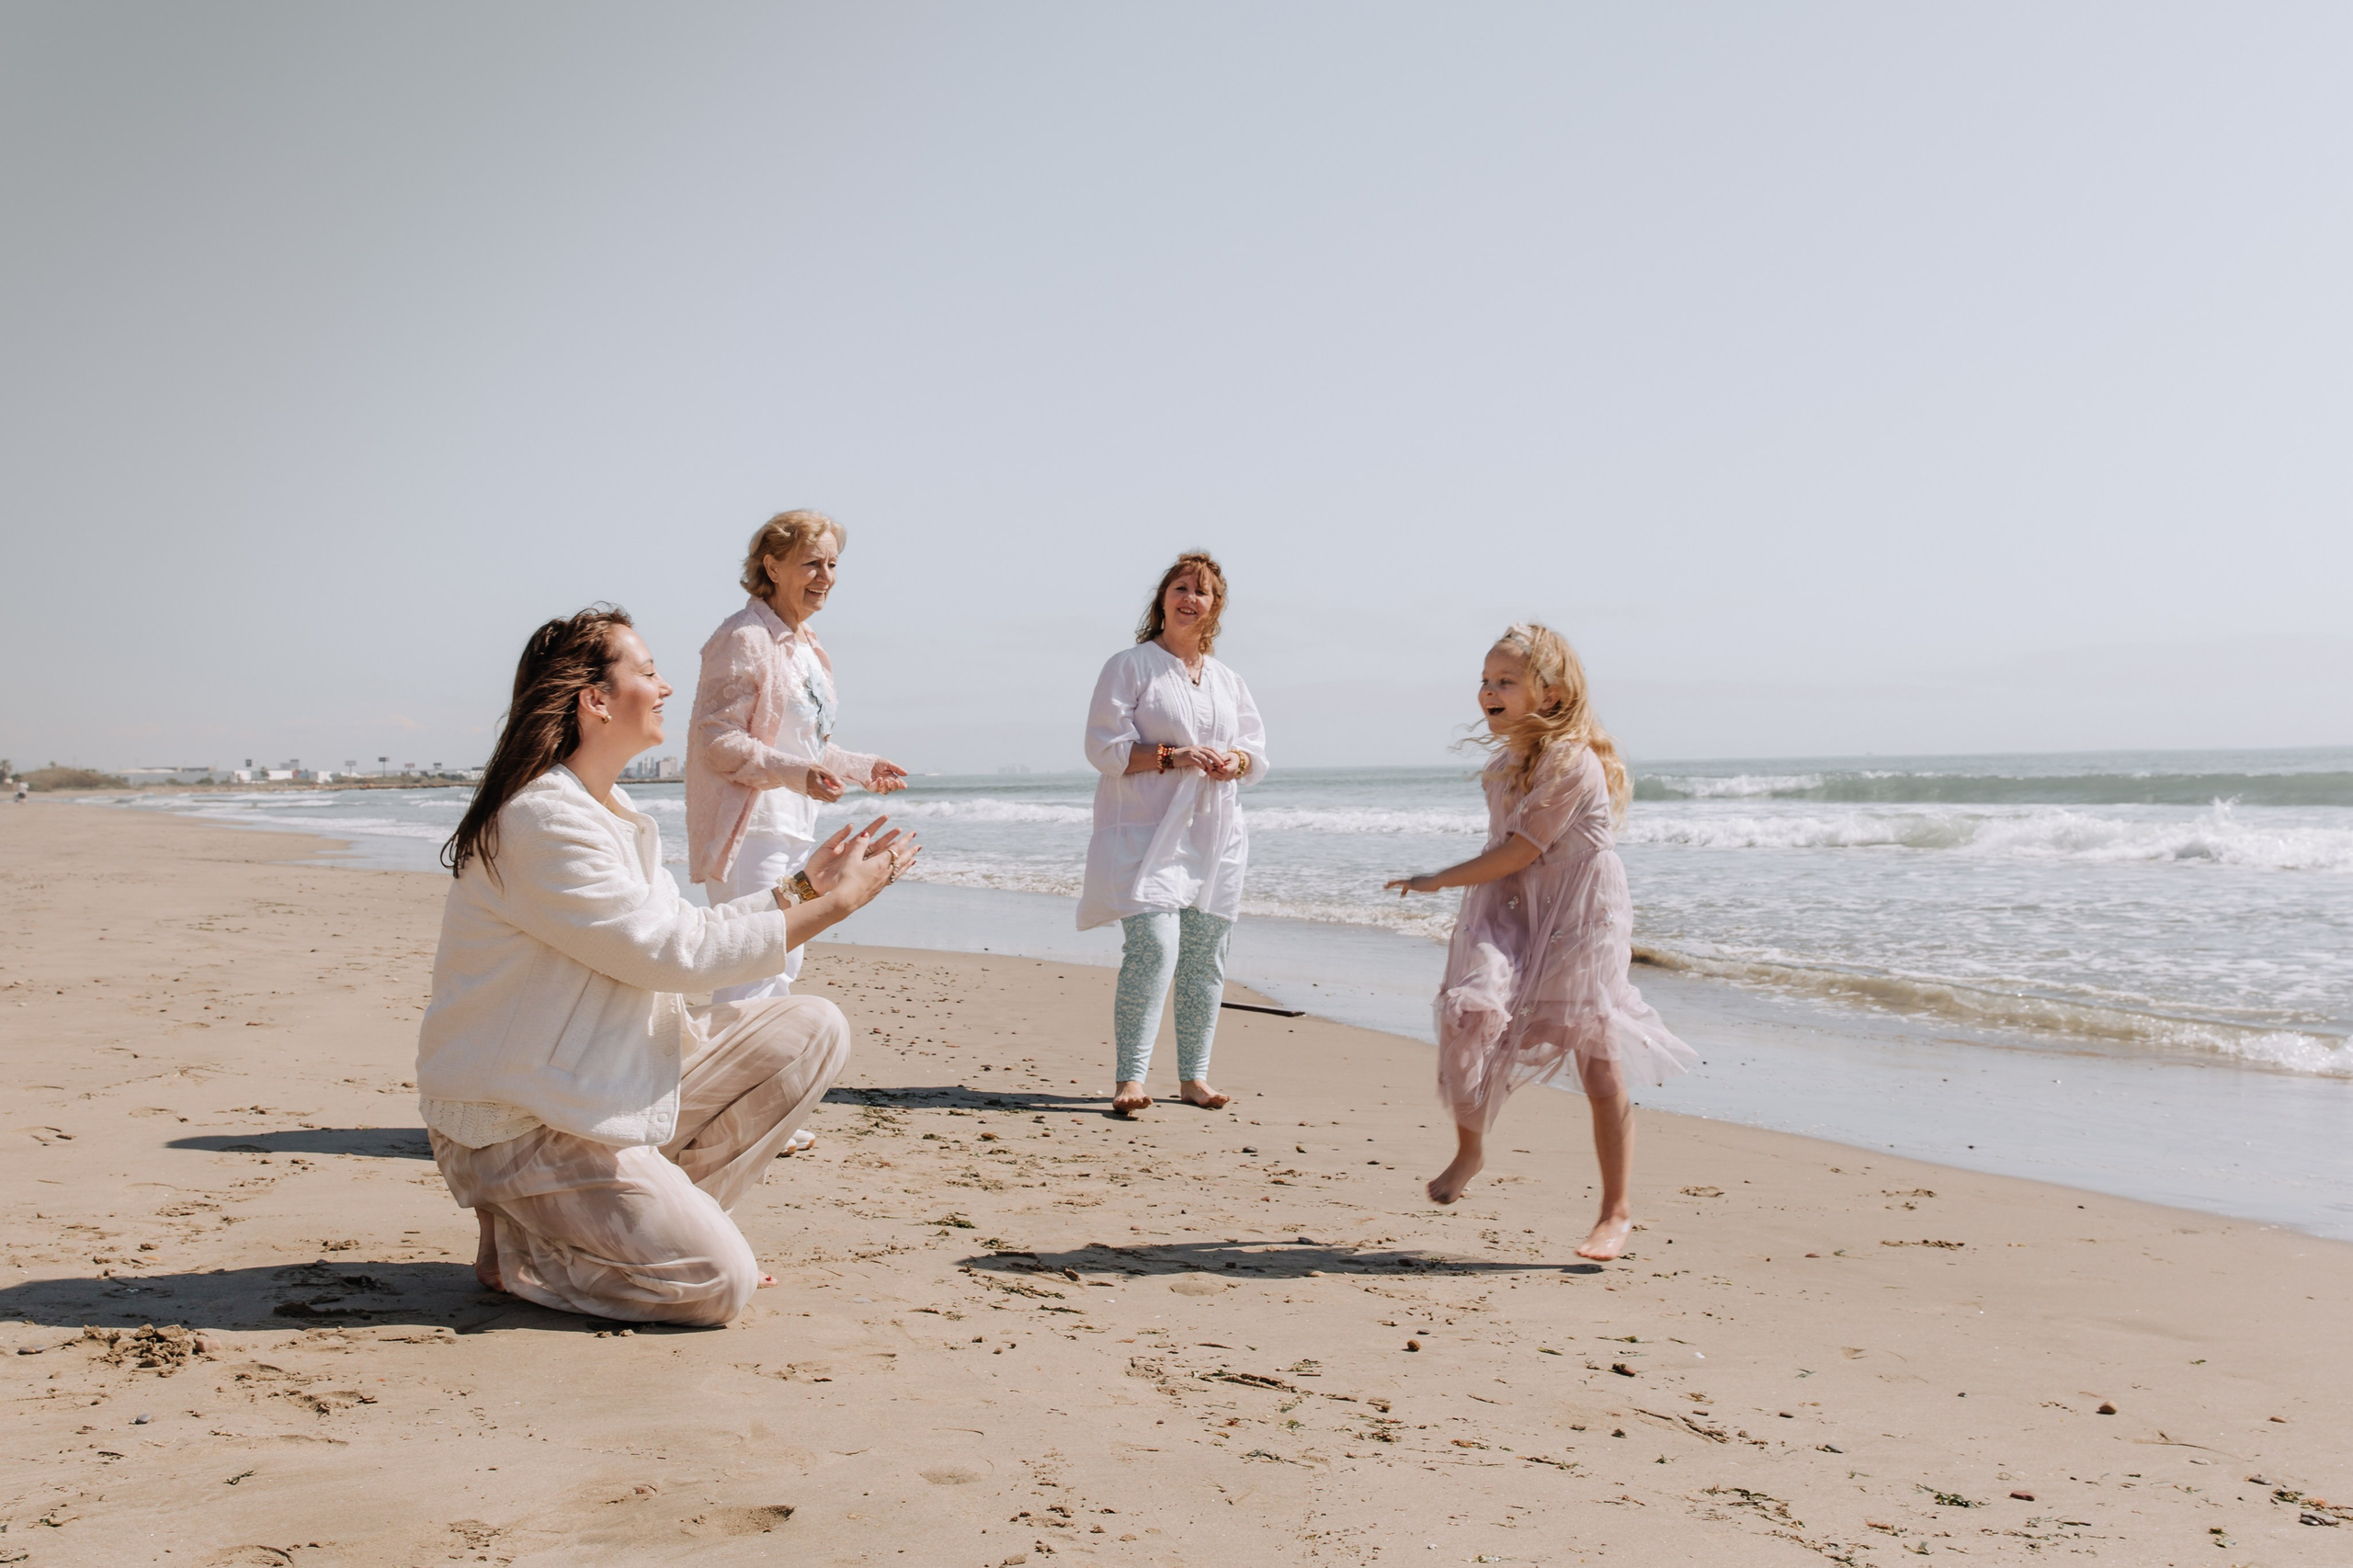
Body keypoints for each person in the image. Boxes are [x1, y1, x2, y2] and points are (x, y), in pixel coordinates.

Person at [416, 606, 918, 1326]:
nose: (665, 687)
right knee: (719, 1285)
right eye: (648, 672)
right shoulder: (543, 820)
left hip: (596, 1084)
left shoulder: (607, 807)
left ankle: (658, 1232)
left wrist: (800, 890)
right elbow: (669, 956)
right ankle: (537, 1247)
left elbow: (682, 929)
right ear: (595, 700)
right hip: (522, 1123)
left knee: (812, 1027)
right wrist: (836, 905)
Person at [1385, 623, 1695, 1259]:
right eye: (1485, 680)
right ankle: (1470, 1150)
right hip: (1513, 904)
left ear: (1550, 694)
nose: (1488, 692)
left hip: (1580, 914)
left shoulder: (1571, 762)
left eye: (1506, 681)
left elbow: (1521, 850)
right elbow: (1509, 857)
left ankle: (1616, 1212)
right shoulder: (1505, 764)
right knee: (1471, 1010)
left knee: (1597, 1056)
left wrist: (1438, 879)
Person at [686, 509, 908, 1013]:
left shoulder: (809, 646)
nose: (825, 576)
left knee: (782, 965)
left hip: (795, 826)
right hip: (750, 829)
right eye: (811, 563)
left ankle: (761, 1062)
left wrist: (859, 767)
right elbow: (718, 739)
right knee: (750, 969)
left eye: (832, 564)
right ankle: (728, 1063)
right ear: (772, 566)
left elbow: (801, 743)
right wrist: (797, 774)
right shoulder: (744, 637)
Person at [1080, 551, 1268, 1114]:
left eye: (1202, 591)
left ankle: (1194, 1078)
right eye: (1181, 588)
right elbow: (1103, 748)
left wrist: (1234, 761)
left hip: (1215, 834)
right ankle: (1130, 1079)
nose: (1191, 598)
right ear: (1162, 600)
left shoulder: (1228, 680)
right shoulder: (1130, 666)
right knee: (1155, 949)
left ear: (1216, 607)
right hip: (1144, 832)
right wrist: (1174, 755)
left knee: (1206, 956)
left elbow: (1256, 753)